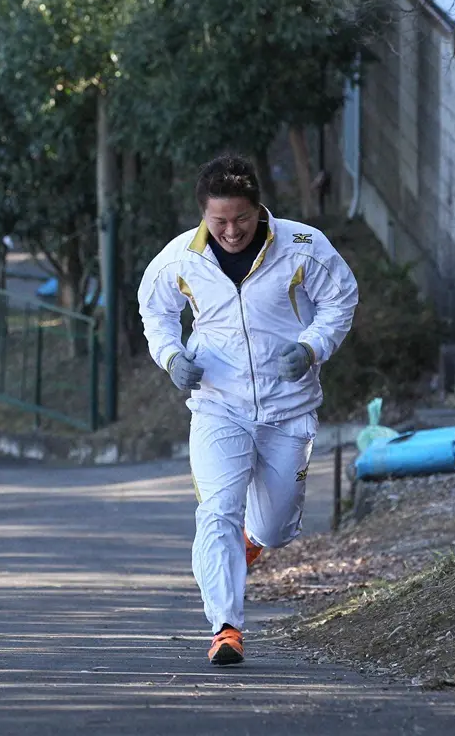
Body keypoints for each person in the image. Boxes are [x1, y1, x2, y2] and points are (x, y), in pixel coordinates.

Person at [137, 153, 358, 666]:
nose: (231, 231)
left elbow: (341, 299)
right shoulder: (179, 260)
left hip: (289, 408)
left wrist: (310, 347)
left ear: (259, 209)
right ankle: (226, 627)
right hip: (217, 404)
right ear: (203, 216)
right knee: (216, 510)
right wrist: (171, 358)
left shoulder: (303, 247)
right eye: (219, 222)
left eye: (241, 218)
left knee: (278, 527)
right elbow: (156, 313)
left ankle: (253, 541)